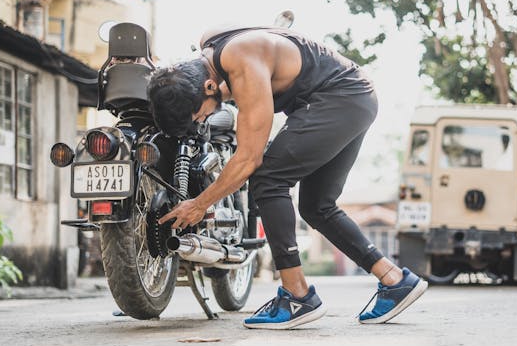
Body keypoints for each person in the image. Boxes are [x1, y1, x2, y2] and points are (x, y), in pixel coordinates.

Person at [147, 26, 427, 329]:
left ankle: (297, 296)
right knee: (317, 206)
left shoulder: (240, 60)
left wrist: (200, 204)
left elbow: (248, 159)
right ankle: (395, 279)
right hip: (353, 97)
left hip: (338, 98)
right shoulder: (210, 46)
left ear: (209, 86)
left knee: (267, 179)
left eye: (197, 114)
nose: (201, 121)